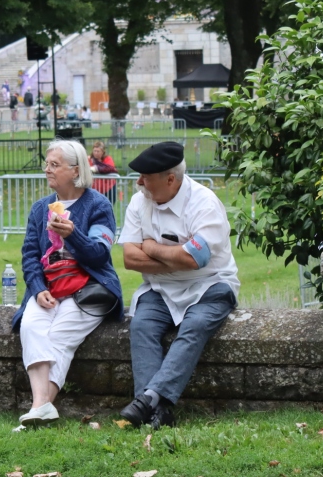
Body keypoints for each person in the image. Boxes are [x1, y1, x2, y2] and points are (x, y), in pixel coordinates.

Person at [116, 141, 239, 429]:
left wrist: (151, 248)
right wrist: (178, 258)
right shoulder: (139, 202)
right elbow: (130, 258)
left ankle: (148, 400)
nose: (139, 182)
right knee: (141, 326)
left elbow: (195, 259)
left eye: (145, 177)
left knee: (195, 326)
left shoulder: (204, 203)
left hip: (210, 285)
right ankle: (156, 410)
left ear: (170, 179)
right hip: (160, 289)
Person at [13, 140, 122, 428]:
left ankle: (37, 409)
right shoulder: (40, 209)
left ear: (75, 171)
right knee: (30, 326)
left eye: (54, 165)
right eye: (46, 164)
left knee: (59, 335)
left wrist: (73, 234)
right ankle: (42, 408)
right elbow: (30, 256)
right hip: (49, 287)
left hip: (88, 289)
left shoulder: (99, 205)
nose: (47, 170)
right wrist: (38, 289)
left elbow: (99, 255)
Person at [89, 141, 118, 205]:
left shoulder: (108, 159)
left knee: (108, 206)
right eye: (94, 151)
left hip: (108, 188)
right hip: (94, 190)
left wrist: (96, 168)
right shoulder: (89, 160)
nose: (96, 153)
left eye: (98, 151)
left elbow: (110, 168)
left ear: (103, 152)